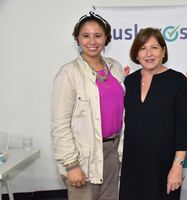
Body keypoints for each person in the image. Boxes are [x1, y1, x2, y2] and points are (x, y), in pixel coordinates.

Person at [51, 11, 125, 200]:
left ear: (106, 38)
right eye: (86, 35)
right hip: (83, 156)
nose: (92, 41)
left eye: (97, 35)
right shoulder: (68, 73)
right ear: (77, 38)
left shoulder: (115, 67)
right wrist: (71, 165)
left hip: (113, 152)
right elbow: (60, 124)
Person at [118, 28, 187, 200]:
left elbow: (184, 126)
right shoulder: (129, 81)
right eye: (143, 48)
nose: (149, 53)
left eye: (154, 47)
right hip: (133, 164)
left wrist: (177, 166)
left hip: (164, 165)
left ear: (163, 51)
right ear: (136, 54)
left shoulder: (177, 81)